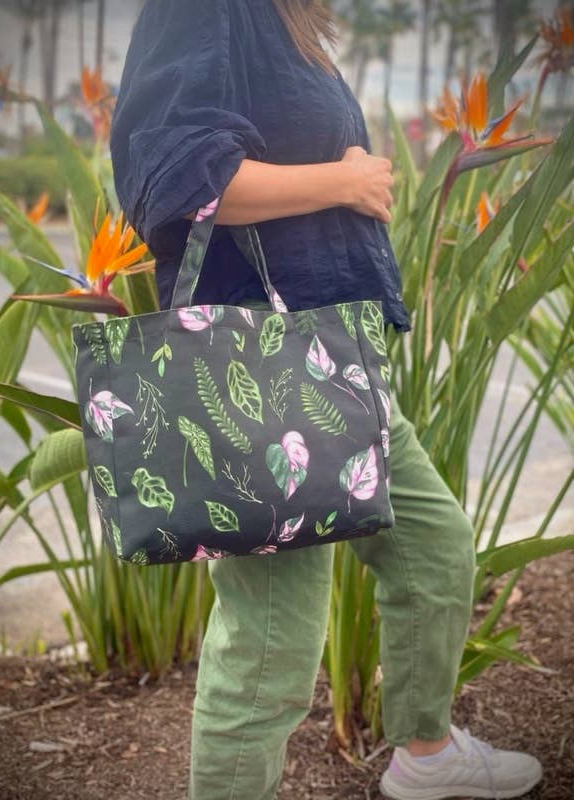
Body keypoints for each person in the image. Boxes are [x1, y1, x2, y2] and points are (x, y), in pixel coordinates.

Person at [110, 2, 543, 798]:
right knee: (273, 643)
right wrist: (345, 180)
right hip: (266, 367)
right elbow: (172, 177)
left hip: (335, 358)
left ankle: (426, 753)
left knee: (433, 549)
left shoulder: (285, 23)